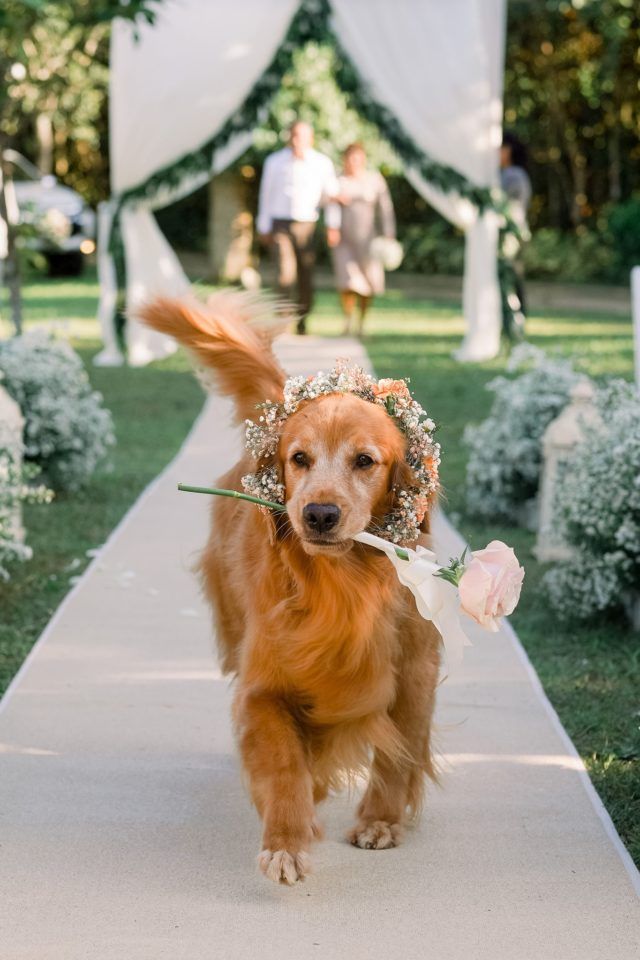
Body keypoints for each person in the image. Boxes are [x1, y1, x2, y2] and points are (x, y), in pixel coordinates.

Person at [256, 121, 340, 334]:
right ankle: (282, 320)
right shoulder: (274, 162)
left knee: (305, 274)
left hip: (307, 224)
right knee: (284, 273)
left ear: (310, 139)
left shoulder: (322, 163)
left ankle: (303, 318)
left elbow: (331, 197)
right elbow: (266, 195)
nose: (297, 141)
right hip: (280, 224)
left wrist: (333, 225)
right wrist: (263, 225)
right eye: (294, 136)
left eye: (301, 136)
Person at [331, 143, 396, 336]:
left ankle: (362, 322)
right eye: (350, 158)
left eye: (358, 158)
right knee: (347, 281)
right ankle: (347, 319)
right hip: (344, 238)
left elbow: (385, 209)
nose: (354, 162)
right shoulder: (337, 180)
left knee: (368, 283)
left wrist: (389, 233)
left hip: (368, 239)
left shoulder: (374, 180)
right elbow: (327, 204)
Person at [500, 131, 532, 341]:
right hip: (513, 232)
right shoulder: (510, 174)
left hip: (510, 234)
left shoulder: (512, 175)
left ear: (508, 150)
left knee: (509, 278)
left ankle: (514, 320)